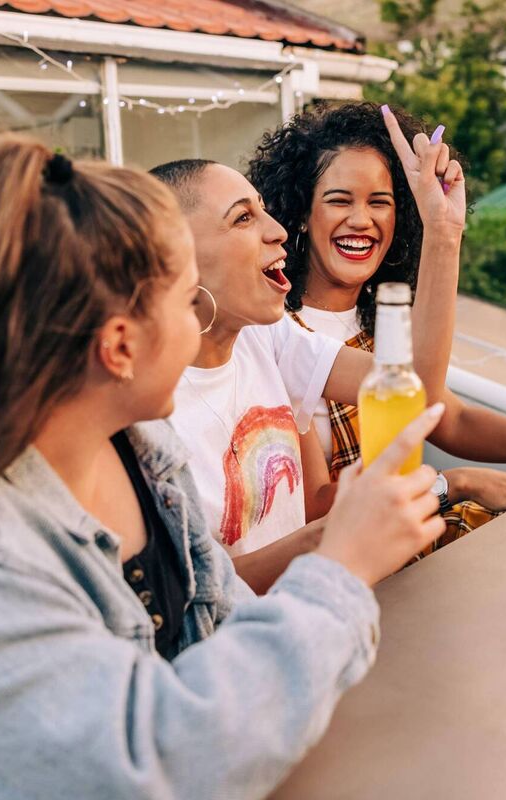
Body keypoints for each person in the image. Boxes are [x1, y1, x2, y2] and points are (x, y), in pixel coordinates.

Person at [0, 137, 450, 799]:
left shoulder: (143, 452)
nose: (199, 326)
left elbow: (224, 620)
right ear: (119, 346)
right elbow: (156, 763)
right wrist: (341, 568)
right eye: (187, 302)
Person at [248, 102, 506, 543]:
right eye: (339, 200)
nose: (362, 220)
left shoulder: (381, 322)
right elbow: (313, 506)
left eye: (380, 202)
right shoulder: (279, 336)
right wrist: (453, 483)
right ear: (301, 213)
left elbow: (451, 419)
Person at [155, 107, 470, 591]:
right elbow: (201, 595)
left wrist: (443, 232)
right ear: (177, 259)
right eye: (243, 218)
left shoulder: (266, 337)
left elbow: (418, 389)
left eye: (263, 209)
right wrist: (340, 532)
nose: (278, 229)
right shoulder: (150, 420)